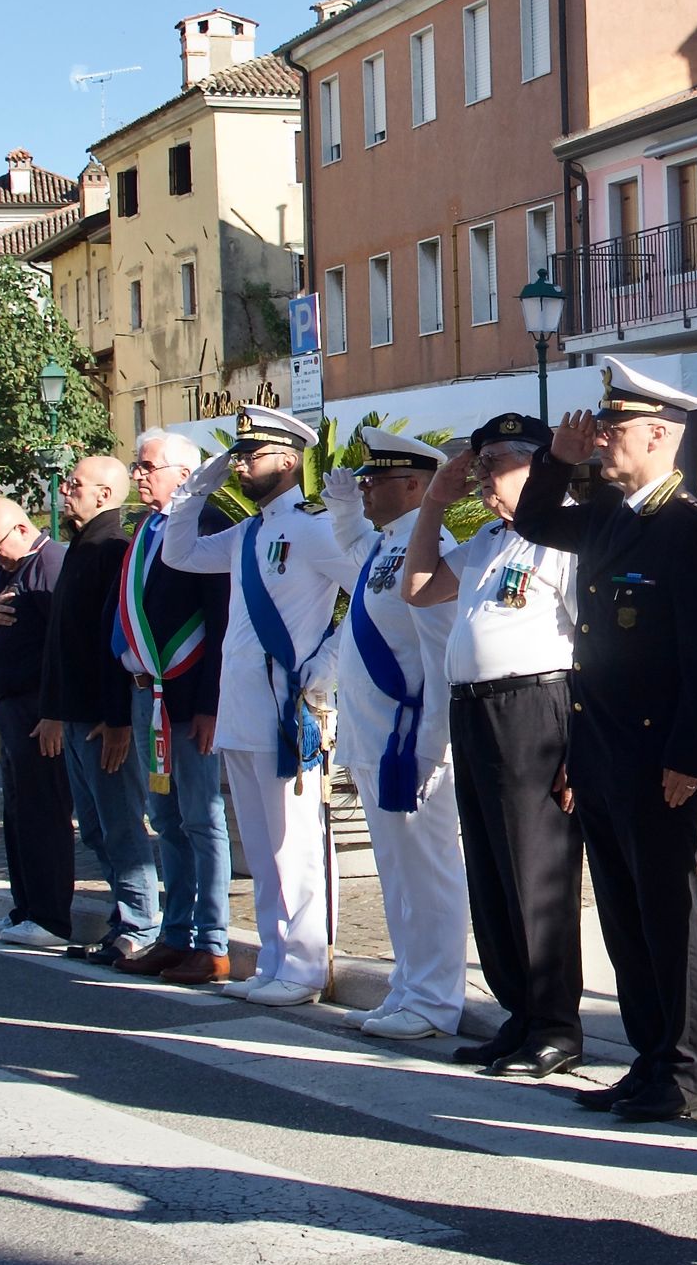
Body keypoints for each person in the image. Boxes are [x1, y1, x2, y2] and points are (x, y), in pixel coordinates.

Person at [513, 356, 697, 1122]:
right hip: (602, 745)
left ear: (657, 434)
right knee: (622, 910)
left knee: (668, 914)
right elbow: (536, 521)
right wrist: (555, 461)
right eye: (601, 427)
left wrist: (689, 756)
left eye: (612, 429)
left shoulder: (690, 525)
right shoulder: (611, 516)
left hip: (657, 754)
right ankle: (648, 1058)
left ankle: (682, 1072)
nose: (601, 438)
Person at [403, 413, 585, 1078]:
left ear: (539, 464)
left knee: (537, 873)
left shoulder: (563, 535)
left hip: (536, 710)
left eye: (495, 465)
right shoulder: (486, 539)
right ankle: (520, 1014)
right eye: (477, 466)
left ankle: (557, 1024)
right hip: (475, 711)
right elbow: (419, 589)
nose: (480, 479)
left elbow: (594, 646)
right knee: (491, 867)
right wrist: (433, 503)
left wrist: (580, 744)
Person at [160, 405, 347, 1008]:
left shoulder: (314, 528)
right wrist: (196, 488)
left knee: (292, 843)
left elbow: (371, 594)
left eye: (252, 455)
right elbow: (178, 554)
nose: (241, 464)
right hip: (240, 704)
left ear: (290, 461)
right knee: (262, 846)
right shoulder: (248, 533)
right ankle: (273, 958)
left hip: (285, 708)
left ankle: (304, 965)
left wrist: (324, 669)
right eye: (237, 455)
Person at [316, 427, 468, 1040]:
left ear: (414, 485)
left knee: (428, 870)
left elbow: (440, 656)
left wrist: (433, 743)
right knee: (397, 871)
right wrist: (343, 509)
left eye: (375, 480)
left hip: (412, 742)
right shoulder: (387, 545)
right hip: (377, 738)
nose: (366, 486)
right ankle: (408, 985)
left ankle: (435, 999)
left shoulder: (431, 547)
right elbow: (356, 553)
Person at [106, 431, 235, 986]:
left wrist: (210, 705)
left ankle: (213, 941)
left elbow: (220, 620)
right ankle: (174, 933)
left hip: (186, 701)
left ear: (184, 475)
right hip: (145, 694)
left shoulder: (205, 527)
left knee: (202, 819)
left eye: (148, 466)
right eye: (136, 466)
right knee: (164, 816)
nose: (138, 475)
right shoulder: (147, 529)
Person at [35, 454, 160, 957]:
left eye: (76, 484)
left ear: (104, 495)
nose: (66, 490)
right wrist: (53, 709)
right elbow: (62, 642)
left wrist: (117, 720)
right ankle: (121, 919)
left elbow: (115, 643)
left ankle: (140, 925)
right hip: (76, 716)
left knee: (121, 826)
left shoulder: (113, 549)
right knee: (94, 828)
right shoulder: (80, 548)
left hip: (103, 720)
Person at [0, 498, 76, 948]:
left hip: (39, 709)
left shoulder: (50, 564)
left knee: (44, 812)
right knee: (16, 813)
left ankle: (50, 917)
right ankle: (24, 907)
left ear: (19, 529)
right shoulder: (3, 571)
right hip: (9, 707)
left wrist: (54, 713)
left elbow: (65, 645)